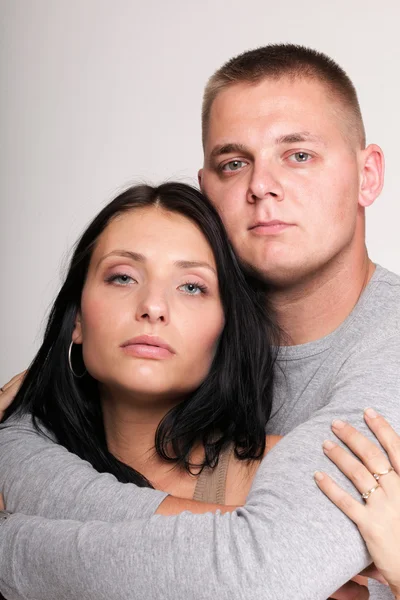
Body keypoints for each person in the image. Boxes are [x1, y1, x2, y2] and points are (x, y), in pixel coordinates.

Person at [0, 44, 399, 600]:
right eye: (234, 163)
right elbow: (31, 415)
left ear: (368, 175)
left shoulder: (391, 355)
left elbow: (265, 571)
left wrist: (11, 545)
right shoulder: (172, 336)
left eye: (298, 155)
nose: (262, 185)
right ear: (207, 192)